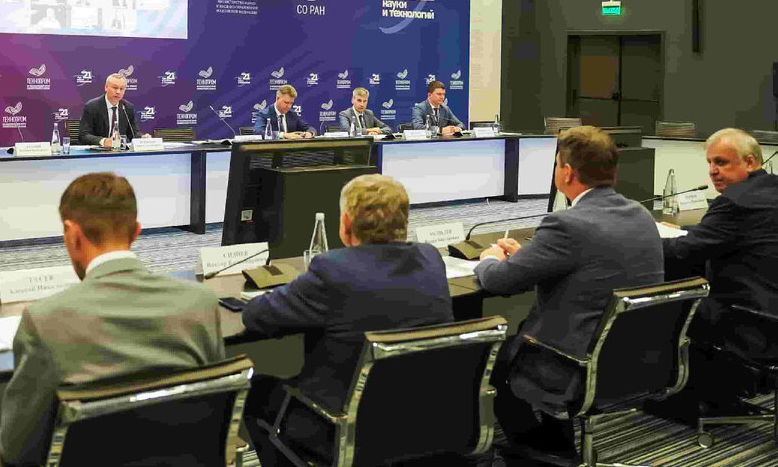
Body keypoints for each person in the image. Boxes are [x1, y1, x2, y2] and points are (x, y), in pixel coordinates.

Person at [0, 173, 224, 467]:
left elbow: (19, 451)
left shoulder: (46, 320)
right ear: (136, 232)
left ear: (72, 234)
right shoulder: (201, 303)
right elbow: (212, 407)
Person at [474, 126, 663, 459]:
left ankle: (539, 451)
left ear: (567, 173)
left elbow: (500, 281)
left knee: (492, 360)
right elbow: (588, 265)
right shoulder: (640, 214)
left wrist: (487, 259)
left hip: (574, 363)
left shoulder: (565, 224)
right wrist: (528, 256)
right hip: (636, 358)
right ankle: (553, 443)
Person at [241, 174, 452, 466]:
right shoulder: (430, 259)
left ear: (345, 224)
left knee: (255, 390)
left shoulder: (332, 269)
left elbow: (256, 316)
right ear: (404, 221)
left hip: (341, 428)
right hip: (423, 419)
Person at [653, 128, 778, 416]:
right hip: (772, 310)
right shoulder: (769, 189)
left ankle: (685, 400)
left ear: (750, 162)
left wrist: (638, 240)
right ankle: (722, 392)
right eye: (710, 163)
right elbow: (741, 232)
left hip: (754, 322)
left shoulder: (734, 201)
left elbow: (684, 251)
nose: (712, 171)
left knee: (667, 304)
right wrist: (687, 230)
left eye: (721, 162)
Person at [77, 73, 145, 147]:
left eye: (121, 89)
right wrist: (103, 141)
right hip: (97, 151)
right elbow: (83, 135)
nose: (118, 92)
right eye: (115, 88)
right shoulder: (92, 106)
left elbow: (133, 133)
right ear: (106, 87)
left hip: (119, 151)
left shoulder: (128, 107)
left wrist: (142, 138)